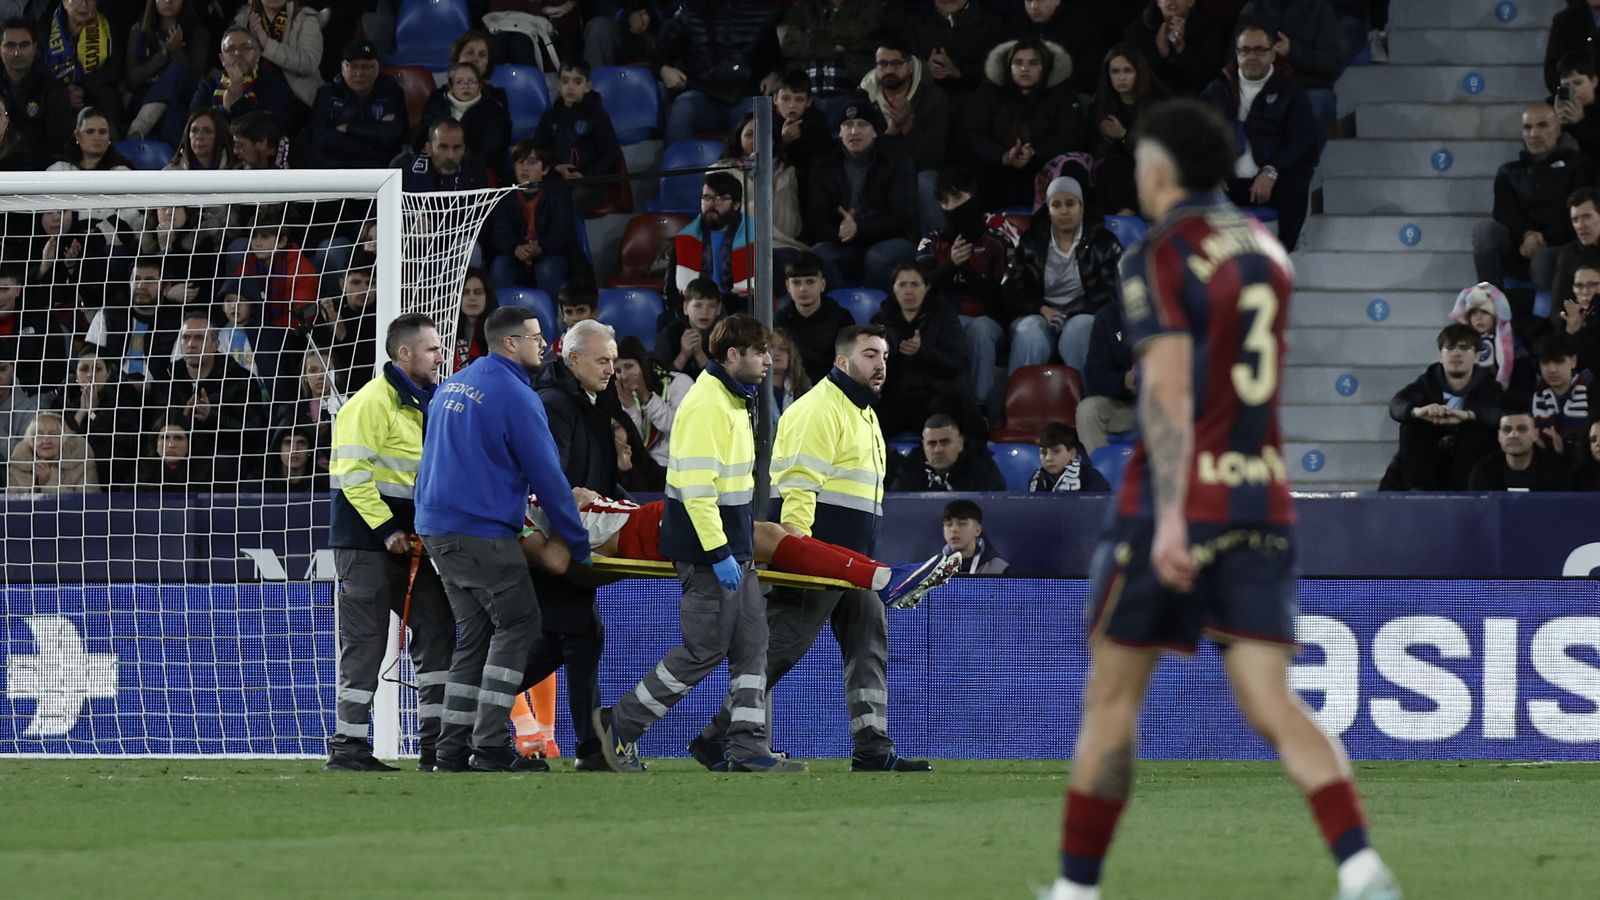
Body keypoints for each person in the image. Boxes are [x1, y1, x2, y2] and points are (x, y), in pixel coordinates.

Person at [1051, 98, 1399, 900]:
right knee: (1272, 700)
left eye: (1139, 160)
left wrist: (1172, 514)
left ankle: (1075, 888)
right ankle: (1360, 864)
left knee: (1112, 697)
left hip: (1171, 503)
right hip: (1262, 499)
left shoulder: (1161, 253)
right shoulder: (1268, 248)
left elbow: (1167, 395)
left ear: (1162, 169)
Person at [689, 323, 945, 774]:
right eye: (870, 354)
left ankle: (872, 746)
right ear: (843, 362)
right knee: (780, 648)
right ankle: (717, 736)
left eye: (884, 355)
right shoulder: (819, 409)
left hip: (854, 563)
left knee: (868, 643)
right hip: (819, 559)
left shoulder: (863, 411)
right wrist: (798, 548)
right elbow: (798, 488)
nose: (881, 363)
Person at [592, 314, 806, 774]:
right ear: (734, 356)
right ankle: (618, 726)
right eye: (760, 353)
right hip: (711, 554)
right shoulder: (709, 404)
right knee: (703, 651)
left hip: (733, 550)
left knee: (752, 647)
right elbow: (695, 487)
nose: (769, 361)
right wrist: (719, 552)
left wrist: (734, 550)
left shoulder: (730, 398)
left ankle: (748, 749)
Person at [415, 306, 591, 774]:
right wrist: (578, 542)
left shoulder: (453, 384)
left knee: (474, 637)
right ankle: (490, 743)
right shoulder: (515, 395)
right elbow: (548, 477)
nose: (544, 344)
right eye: (536, 337)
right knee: (520, 625)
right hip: (479, 531)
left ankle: (450, 749)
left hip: (437, 530)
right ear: (510, 343)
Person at [323, 314, 456, 772]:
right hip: (367, 542)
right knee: (366, 641)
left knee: (437, 628)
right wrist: (386, 529)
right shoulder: (370, 403)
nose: (441, 356)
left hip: (411, 542)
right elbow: (351, 478)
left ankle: (437, 746)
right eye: (433, 349)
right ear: (404, 354)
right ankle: (348, 746)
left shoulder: (430, 402)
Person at [525, 318, 634, 771]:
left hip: (570, 535)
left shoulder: (588, 402)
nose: (612, 369)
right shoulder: (555, 404)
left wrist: (619, 503)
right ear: (573, 359)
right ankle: (468, 704)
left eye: (613, 360)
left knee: (567, 638)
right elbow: (556, 483)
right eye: (602, 360)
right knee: (574, 636)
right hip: (552, 538)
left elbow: (597, 480)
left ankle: (467, 704)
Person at [1200, 23, 1318, 252]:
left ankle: (1283, 256)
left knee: (1295, 181)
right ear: (1237, 54)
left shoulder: (1290, 90)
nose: (1251, 56)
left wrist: (1272, 169)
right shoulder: (1218, 89)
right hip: (1228, 182)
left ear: (1273, 53)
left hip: (1272, 181)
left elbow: (1303, 142)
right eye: (1245, 50)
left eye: (1259, 50)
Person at [1003, 174, 1124, 375]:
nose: (1064, 211)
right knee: (1030, 331)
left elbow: (1112, 289)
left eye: (1070, 204)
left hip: (1084, 313)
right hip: (1039, 314)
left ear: (1081, 207)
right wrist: (1041, 309)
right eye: (1056, 205)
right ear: (1048, 210)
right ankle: (1019, 402)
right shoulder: (1030, 241)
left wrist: (1069, 311)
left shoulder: (1105, 242)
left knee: (1080, 328)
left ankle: (1089, 402)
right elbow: (1011, 289)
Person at [917, 168, 1013, 407]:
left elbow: (1004, 297)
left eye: (957, 198)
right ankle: (937, 406)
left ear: (973, 196)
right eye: (944, 201)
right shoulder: (931, 241)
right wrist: (951, 265)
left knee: (978, 330)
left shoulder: (998, 240)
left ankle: (979, 407)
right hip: (946, 317)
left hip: (988, 320)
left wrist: (967, 271)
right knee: (938, 328)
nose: (950, 207)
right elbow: (920, 291)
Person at [1473, 102, 1590, 296]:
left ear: (1558, 128)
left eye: (1542, 125)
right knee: (1485, 231)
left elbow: (1578, 211)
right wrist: (1527, 235)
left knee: (1543, 259)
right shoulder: (1508, 171)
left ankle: (1549, 322)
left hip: (1560, 247)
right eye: (1527, 127)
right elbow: (1504, 212)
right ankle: (1489, 305)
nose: (1534, 134)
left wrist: (1544, 238)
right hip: (1519, 247)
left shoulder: (1580, 165)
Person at [808, 95, 919, 292]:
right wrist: (839, 231)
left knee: (878, 257)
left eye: (862, 124)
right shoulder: (823, 164)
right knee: (818, 255)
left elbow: (903, 216)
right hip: (844, 242)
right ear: (839, 132)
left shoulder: (896, 159)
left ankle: (878, 316)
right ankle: (841, 312)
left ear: (875, 131)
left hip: (890, 239)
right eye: (847, 124)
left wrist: (859, 228)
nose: (854, 131)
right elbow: (817, 217)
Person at [963, 37, 1089, 209]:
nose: (1024, 68)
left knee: (1071, 167)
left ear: (1044, 67)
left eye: (1033, 63)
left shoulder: (1062, 92)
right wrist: (1003, 156)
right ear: (1009, 66)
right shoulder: (990, 90)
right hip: (999, 168)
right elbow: (974, 132)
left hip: (1044, 167)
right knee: (973, 168)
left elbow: (1070, 135)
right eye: (1018, 62)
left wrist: (1034, 152)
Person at [1378, 323, 1505, 492]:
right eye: (1449, 348)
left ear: (1476, 356)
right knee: (1411, 427)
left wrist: (1467, 415)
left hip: (1470, 462)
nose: (1456, 353)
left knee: (1477, 432)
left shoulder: (1490, 386)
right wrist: (1419, 412)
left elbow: (1498, 414)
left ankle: (1464, 496)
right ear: (1440, 356)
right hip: (1431, 458)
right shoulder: (1427, 382)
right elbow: (1397, 405)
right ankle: (1419, 492)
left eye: (1464, 348)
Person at [872, 261, 986, 441]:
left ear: (927, 288)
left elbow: (955, 364)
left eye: (915, 284)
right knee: (865, 422)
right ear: (893, 289)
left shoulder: (944, 316)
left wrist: (921, 351)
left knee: (949, 413)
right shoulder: (881, 321)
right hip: (896, 397)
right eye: (902, 285)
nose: (909, 291)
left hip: (936, 394)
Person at [651, 0, 781, 143]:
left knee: (760, 116)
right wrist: (664, 69)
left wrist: (774, 75)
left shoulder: (764, 13)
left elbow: (776, 59)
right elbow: (659, 51)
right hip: (702, 95)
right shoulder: (691, 11)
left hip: (747, 95)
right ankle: (676, 163)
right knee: (682, 109)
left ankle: (760, 165)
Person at [860, 34, 951, 234]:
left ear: (909, 65)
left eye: (895, 63)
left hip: (918, 171)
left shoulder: (933, 98)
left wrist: (907, 125)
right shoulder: (863, 98)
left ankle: (936, 249)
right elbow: (859, 152)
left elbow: (932, 159)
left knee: (927, 182)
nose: (889, 70)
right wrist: (890, 134)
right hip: (879, 172)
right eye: (882, 64)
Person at [487, 139, 587, 295]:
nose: (524, 168)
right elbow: (499, 233)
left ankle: (548, 317)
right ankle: (501, 317)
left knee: (546, 269)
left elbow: (561, 235)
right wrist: (515, 248)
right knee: (499, 267)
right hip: (517, 255)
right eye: (520, 163)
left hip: (552, 254)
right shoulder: (505, 194)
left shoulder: (558, 193)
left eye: (531, 162)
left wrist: (540, 248)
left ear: (545, 169)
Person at [533, 58, 622, 215]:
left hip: (591, 182)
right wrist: (556, 166)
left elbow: (611, 154)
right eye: (565, 81)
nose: (570, 87)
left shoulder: (598, 116)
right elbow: (540, 148)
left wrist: (585, 175)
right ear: (559, 85)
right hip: (557, 178)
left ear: (587, 87)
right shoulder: (550, 116)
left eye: (577, 82)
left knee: (566, 201)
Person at [306, 39, 404, 170]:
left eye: (367, 66)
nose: (360, 73)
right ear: (342, 67)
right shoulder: (327, 94)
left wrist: (348, 129)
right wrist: (372, 140)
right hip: (335, 166)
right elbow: (321, 137)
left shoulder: (390, 91)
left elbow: (393, 135)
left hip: (380, 167)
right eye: (353, 66)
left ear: (378, 67)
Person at [1090, 44, 1165, 215]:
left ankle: (1126, 215)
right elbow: (1095, 145)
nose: (1121, 78)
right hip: (1114, 170)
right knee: (1111, 165)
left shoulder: (1157, 103)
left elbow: (1157, 153)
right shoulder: (1102, 102)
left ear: (1138, 73)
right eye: (1115, 72)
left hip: (1150, 168)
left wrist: (1123, 135)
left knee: (1118, 165)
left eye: (1127, 71)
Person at [665, 170, 755, 310]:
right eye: (706, 198)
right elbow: (671, 291)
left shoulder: (755, 236)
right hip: (698, 308)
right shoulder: (685, 238)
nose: (711, 204)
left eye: (720, 198)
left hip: (739, 307)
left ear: (736, 205)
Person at [123, 0, 210, 144]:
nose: (168, 1)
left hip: (184, 98)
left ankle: (141, 124)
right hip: (144, 97)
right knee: (172, 114)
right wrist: (161, 57)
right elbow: (131, 80)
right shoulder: (139, 30)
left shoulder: (197, 32)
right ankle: (174, 162)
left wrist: (177, 51)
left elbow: (195, 78)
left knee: (179, 68)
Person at [780, 0, 882, 115]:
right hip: (806, 95)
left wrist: (814, 38)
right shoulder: (804, 6)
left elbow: (866, 36)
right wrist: (832, 46)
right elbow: (789, 45)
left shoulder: (867, 5)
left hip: (852, 91)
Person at [899, 0, 1006, 110]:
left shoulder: (992, 23)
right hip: (924, 105)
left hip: (974, 104)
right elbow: (900, 63)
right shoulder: (913, 23)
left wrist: (958, 72)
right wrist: (925, 69)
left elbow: (997, 72)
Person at [415, 61, 510, 184]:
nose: (465, 86)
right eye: (459, 82)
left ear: (480, 85)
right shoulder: (437, 102)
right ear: (451, 85)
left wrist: (460, 154)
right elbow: (422, 136)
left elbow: (493, 145)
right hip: (437, 164)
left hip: (478, 167)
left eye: (471, 81)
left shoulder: (493, 108)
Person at [189, 24, 301, 129]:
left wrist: (238, 102)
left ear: (257, 54)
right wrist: (225, 110)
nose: (238, 53)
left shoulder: (274, 86)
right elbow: (196, 128)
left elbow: (271, 131)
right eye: (231, 49)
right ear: (222, 59)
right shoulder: (208, 85)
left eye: (246, 48)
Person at [1, 16, 73, 170]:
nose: (17, 53)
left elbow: (57, 143)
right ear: (0, 48)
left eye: (24, 45)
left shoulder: (53, 88)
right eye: (10, 45)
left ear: (34, 48)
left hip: (37, 174)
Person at [62, 348, 142, 486]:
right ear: (76, 375)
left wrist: (94, 413)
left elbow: (127, 441)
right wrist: (82, 411)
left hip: (112, 474)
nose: (90, 375)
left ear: (108, 373)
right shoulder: (66, 398)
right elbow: (60, 443)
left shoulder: (124, 396)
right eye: (84, 369)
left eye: (97, 369)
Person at [774, 252, 854, 385]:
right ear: (788, 286)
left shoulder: (841, 318)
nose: (803, 288)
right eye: (796, 282)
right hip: (790, 392)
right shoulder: (778, 321)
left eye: (810, 282)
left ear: (822, 284)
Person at [613, 334, 691, 469]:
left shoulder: (680, 383)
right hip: (645, 469)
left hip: (677, 467)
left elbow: (679, 430)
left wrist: (646, 397)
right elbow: (636, 444)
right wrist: (630, 407)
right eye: (618, 371)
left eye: (629, 366)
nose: (624, 376)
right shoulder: (624, 394)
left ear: (643, 363)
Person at [1122, 0, 1227, 97]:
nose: (1171, 0)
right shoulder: (1136, 32)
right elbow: (1131, 77)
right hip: (1150, 103)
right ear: (1158, 2)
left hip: (1194, 103)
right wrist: (1159, 54)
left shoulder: (1208, 31)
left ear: (1191, 2)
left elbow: (1210, 80)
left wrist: (1182, 50)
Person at [44, 0, 125, 123]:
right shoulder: (45, 27)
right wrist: (63, 93)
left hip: (93, 92)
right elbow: (38, 70)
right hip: (57, 94)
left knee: (108, 97)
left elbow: (115, 68)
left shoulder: (107, 24)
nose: (84, 5)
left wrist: (84, 87)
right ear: (64, 3)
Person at [231, 0, 321, 109]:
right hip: (252, 89)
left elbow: (309, 63)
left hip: (295, 96)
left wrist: (267, 44)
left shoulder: (305, 18)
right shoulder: (243, 18)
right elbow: (230, 59)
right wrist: (251, 41)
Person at [1076, 301, 1137, 454]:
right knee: (1088, 410)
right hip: (1126, 407)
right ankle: (1100, 474)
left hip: (1170, 404)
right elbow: (1094, 377)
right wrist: (1123, 381)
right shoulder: (1109, 316)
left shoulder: (1176, 310)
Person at [889, 413, 1006, 491]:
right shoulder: (911, 467)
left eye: (945, 442)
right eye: (931, 443)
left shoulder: (982, 468)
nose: (938, 449)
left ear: (960, 443)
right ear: (924, 445)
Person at [1468, 408, 1574, 491]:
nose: (1513, 434)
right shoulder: (1483, 470)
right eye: (1507, 429)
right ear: (1499, 436)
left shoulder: (1556, 469)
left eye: (1522, 429)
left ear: (1535, 434)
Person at [6, 410, 98, 493]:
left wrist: (48, 482)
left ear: (63, 439)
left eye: (53, 434)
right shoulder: (20, 461)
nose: (46, 441)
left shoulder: (80, 458)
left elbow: (89, 503)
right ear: (32, 441)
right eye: (40, 435)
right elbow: (13, 505)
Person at [653, 276, 724, 379]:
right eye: (698, 305)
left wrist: (700, 355)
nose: (705, 312)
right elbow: (658, 381)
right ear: (685, 308)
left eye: (711, 306)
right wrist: (683, 355)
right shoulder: (669, 334)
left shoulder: (724, 335)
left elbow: (727, 382)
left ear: (718, 309)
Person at [1529, 331, 1590, 449]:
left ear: (1573, 361)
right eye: (1545, 362)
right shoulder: (1533, 396)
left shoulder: (1592, 394)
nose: (1552, 369)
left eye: (1559, 361)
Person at [398, 117, 486, 193]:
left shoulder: (474, 170)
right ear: (429, 149)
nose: (450, 156)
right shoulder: (403, 168)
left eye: (457, 148)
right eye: (443, 147)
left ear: (464, 149)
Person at [1550, 186, 1600, 312]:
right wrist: (1568, 324)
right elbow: (1558, 304)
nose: (1580, 226)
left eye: (1587, 217)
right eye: (1575, 220)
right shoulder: (1568, 253)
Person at [134, 415, 213, 490]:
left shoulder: (207, 477)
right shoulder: (139, 477)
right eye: (165, 437)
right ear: (155, 445)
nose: (171, 445)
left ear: (190, 443)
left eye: (178, 438)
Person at [1030, 421, 1111, 492]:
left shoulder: (1092, 479)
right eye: (1043, 453)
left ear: (1072, 454)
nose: (1048, 458)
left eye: (1056, 451)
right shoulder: (1037, 478)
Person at [937, 498, 1010, 574]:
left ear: (977, 530)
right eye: (948, 524)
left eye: (962, 523)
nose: (953, 529)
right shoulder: (932, 569)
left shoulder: (999, 570)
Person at [1551, 52, 1600, 160]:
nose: (1573, 90)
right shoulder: (1551, 107)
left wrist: (1581, 123)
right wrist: (1554, 124)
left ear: (1594, 81)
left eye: (1578, 83)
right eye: (1566, 85)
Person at [1554, 263, 1600, 375]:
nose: (1585, 291)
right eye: (1579, 285)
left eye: (1592, 284)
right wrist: (1569, 332)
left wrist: (1578, 331)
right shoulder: (1567, 312)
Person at [452, 269, 497, 373]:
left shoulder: (498, 331)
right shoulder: (445, 330)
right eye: (465, 293)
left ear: (487, 296)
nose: (472, 298)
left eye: (478, 292)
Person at [165, 105, 236, 169]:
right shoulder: (171, 173)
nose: (199, 137)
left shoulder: (237, 171)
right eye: (194, 131)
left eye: (207, 131)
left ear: (220, 135)